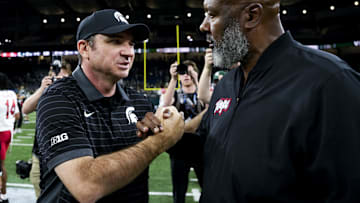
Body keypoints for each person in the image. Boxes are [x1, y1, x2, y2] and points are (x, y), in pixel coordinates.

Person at [139, 0, 360, 201]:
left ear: (252, 15)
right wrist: (165, 135)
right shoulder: (227, 83)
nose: (203, 26)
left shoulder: (330, 82)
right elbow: (211, 148)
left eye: (212, 15)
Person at [35, 9, 184, 203]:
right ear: (84, 48)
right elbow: (86, 186)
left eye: (131, 44)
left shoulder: (139, 102)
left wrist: (171, 123)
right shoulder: (58, 99)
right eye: (115, 41)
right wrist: (155, 143)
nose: (129, 52)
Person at [22, 63, 72, 198]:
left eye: (63, 77)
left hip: (65, 154)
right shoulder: (47, 94)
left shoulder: (74, 95)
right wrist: (42, 88)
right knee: (39, 188)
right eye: (57, 78)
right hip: (40, 153)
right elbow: (25, 108)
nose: (59, 81)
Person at [161, 60, 205, 203]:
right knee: (179, 193)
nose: (186, 76)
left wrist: (197, 79)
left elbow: (208, 103)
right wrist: (173, 79)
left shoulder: (202, 92)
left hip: (201, 147)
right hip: (179, 148)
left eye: (189, 72)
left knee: (209, 189)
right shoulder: (176, 95)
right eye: (183, 73)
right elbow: (165, 106)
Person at [0, 72, 20, 203]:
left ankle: (3, 195)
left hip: (0, 132)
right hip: (8, 132)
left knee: (1, 167)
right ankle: (3, 194)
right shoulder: (12, 94)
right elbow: (17, 115)